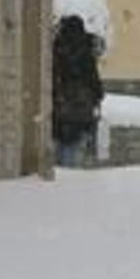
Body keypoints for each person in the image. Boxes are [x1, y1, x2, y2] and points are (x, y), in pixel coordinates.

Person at [51, 16, 103, 166]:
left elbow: (53, 75)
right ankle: (69, 172)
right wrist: (98, 95)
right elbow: (92, 76)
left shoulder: (57, 47)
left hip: (60, 105)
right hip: (81, 106)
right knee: (74, 143)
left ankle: (61, 169)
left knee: (60, 141)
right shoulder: (85, 48)